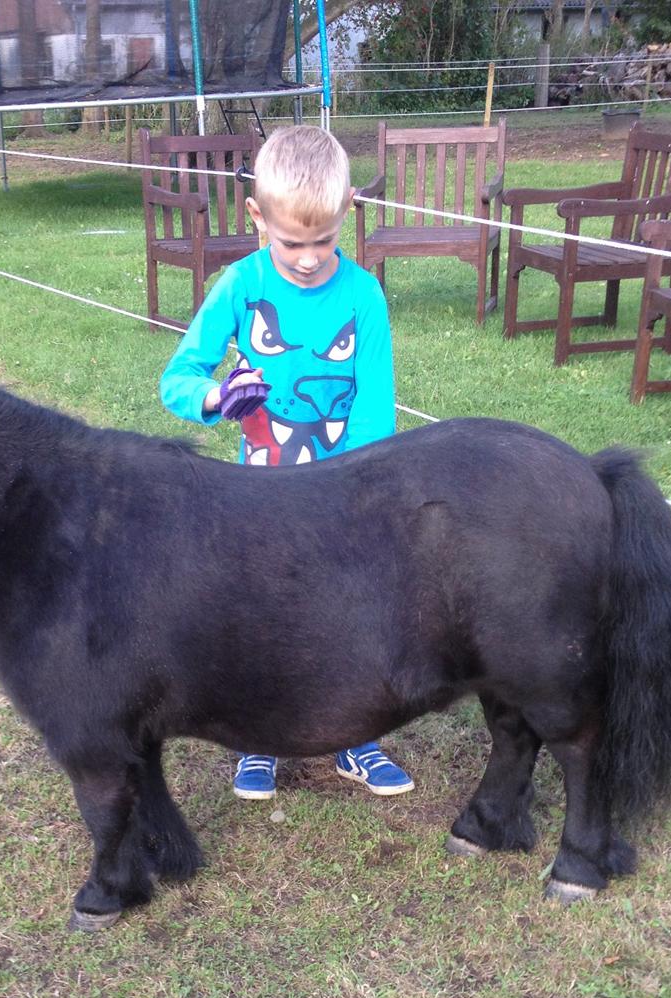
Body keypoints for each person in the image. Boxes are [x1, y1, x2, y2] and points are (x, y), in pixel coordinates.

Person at [159, 123, 414, 802]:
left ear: (349, 210)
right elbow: (177, 378)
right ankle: (257, 741)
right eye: (290, 241)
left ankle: (355, 738)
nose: (307, 259)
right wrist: (216, 396)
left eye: (324, 241)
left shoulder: (363, 297)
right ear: (256, 217)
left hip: (343, 498)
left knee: (346, 616)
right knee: (262, 616)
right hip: (260, 499)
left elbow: (375, 410)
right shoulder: (240, 287)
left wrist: (353, 497)